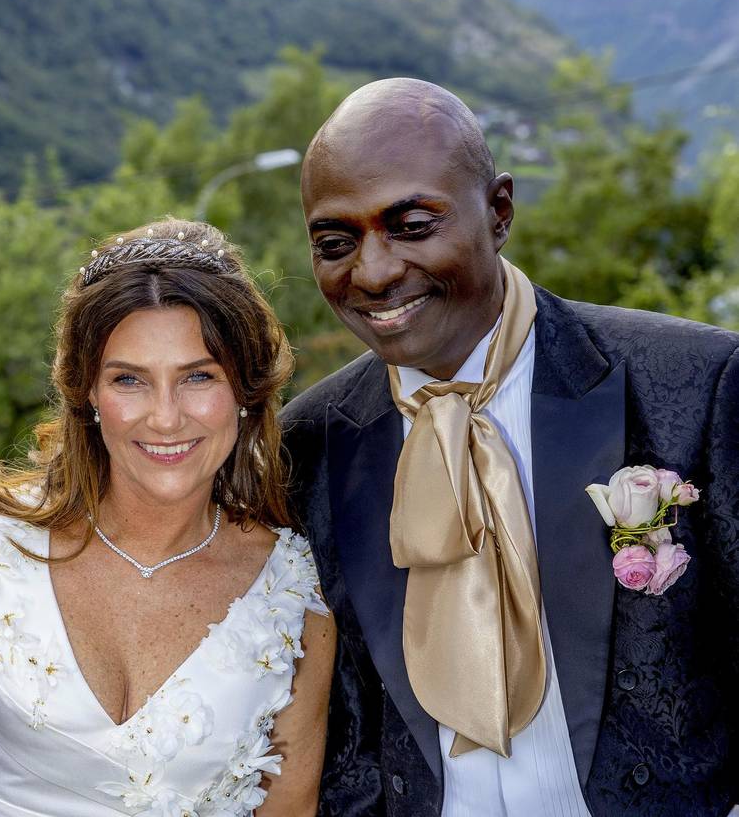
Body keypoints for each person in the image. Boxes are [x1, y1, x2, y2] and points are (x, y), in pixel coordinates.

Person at [281, 78, 739, 817]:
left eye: (412, 224)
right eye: (336, 242)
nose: (372, 269)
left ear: (498, 212)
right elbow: (346, 720)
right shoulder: (309, 442)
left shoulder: (694, 382)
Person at [0, 219, 335, 817]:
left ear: (244, 390)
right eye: (129, 380)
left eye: (198, 376)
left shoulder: (295, 593)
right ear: (87, 392)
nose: (165, 418)